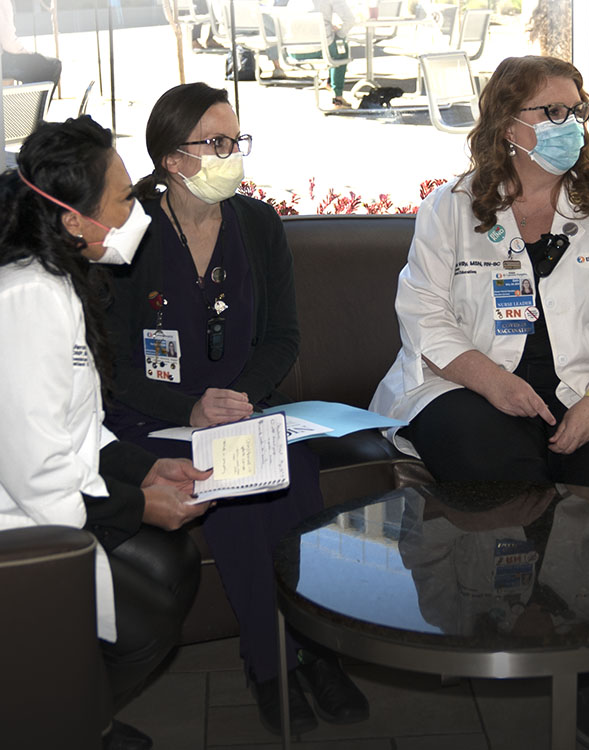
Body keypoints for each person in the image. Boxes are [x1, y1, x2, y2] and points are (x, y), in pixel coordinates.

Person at [370, 54, 589, 750]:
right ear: (507, 124)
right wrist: (491, 381)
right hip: (474, 382)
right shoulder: (451, 207)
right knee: (503, 484)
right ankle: (504, 622)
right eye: (551, 112)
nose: (570, 124)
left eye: (577, 110)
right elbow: (424, 316)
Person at [103, 82, 368, 737]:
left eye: (235, 140)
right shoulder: (129, 236)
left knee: (292, 472)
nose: (232, 154)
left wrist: (242, 397)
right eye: (215, 143)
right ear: (171, 158)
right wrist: (190, 407)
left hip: (244, 407)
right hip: (154, 416)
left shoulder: (256, 226)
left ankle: (318, 649)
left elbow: (284, 337)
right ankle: (270, 663)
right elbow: (109, 366)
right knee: (236, 489)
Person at [0, 115, 212, 750]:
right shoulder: (24, 301)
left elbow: (80, 425)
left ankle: (74, 712)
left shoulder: (59, 278)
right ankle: (54, 723)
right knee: (144, 624)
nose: (135, 210)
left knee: (175, 569)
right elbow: (36, 473)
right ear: (73, 218)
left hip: (54, 496)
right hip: (21, 520)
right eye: (124, 199)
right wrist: (139, 505)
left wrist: (146, 470)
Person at [1, 0, 61, 85]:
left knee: (33, 63)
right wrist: (28, 52)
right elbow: (8, 43)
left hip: (5, 57)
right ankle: (33, 98)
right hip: (4, 61)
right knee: (53, 66)